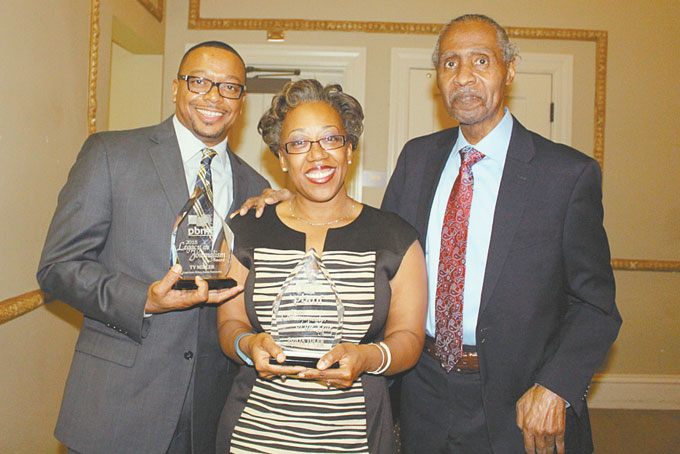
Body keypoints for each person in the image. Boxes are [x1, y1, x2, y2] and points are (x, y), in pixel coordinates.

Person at [380, 14, 622, 454]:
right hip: (422, 392)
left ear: (509, 69)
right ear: (438, 78)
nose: (465, 77)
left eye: (480, 61)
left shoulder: (566, 175)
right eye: (450, 63)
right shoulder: (416, 160)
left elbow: (596, 306)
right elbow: (378, 260)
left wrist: (555, 386)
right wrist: (298, 205)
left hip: (522, 399)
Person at [37, 41, 269, 454]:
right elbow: (58, 267)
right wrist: (143, 299)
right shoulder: (110, 154)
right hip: (117, 406)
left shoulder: (256, 186)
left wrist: (295, 215)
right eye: (199, 82)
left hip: (211, 414)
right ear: (176, 87)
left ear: (242, 100)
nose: (213, 96)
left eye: (229, 87)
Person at [215, 79, 427, 454]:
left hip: (356, 438)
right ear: (281, 157)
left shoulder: (396, 237)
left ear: (349, 149)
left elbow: (408, 339)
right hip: (253, 436)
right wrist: (249, 344)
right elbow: (230, 325)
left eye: (331, 139)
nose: (317, 156)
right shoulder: (246, 230)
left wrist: (367, 357)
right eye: (298, 143)